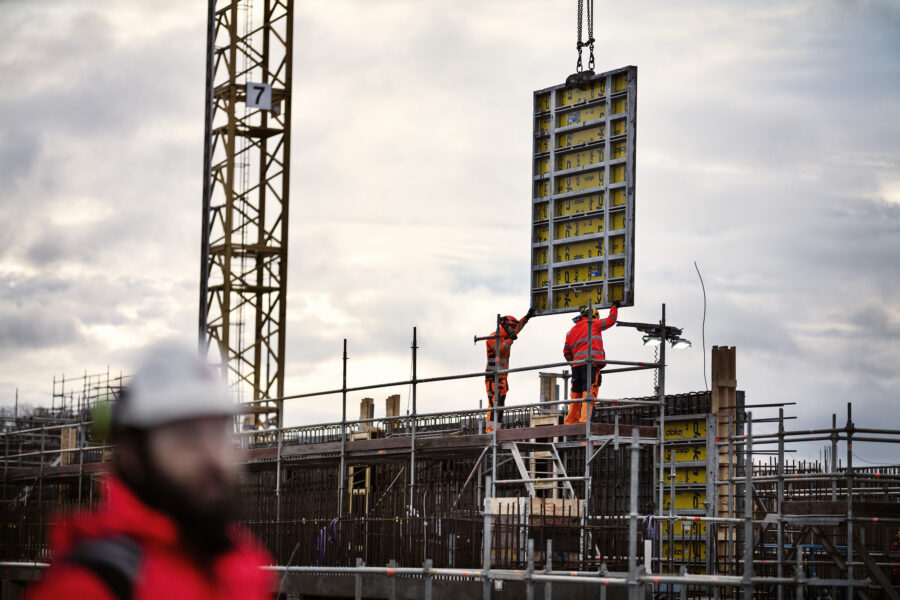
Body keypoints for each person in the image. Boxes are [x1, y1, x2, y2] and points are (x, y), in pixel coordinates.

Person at [28, 343, 273, 600]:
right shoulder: (89, 586)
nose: (213, 457)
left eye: (220, 433)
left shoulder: (244, 565)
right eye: (188, 435)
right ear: (133, 450)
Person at [563, 302, 618, 424]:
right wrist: (614, 307)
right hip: (590, 365)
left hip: (576, 366)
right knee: (589, 393)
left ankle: (571, 421)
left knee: (575, 394)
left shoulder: (570, 331)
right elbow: (611, 320)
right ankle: (585, 422)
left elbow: (566, 352)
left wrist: (573, 363)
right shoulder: (593, 323)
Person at [482, 308, 535, 432]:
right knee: (494, 403)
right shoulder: (493, 337)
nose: (513, 330)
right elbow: (499, 349)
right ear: (505, 326)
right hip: (493, 377)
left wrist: (527, 317)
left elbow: (518, 327)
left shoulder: (507, 334)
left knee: (500, 405)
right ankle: (491, 430)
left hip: (502, 377)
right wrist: (511, 340)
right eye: (511, 327)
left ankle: (497, 429)